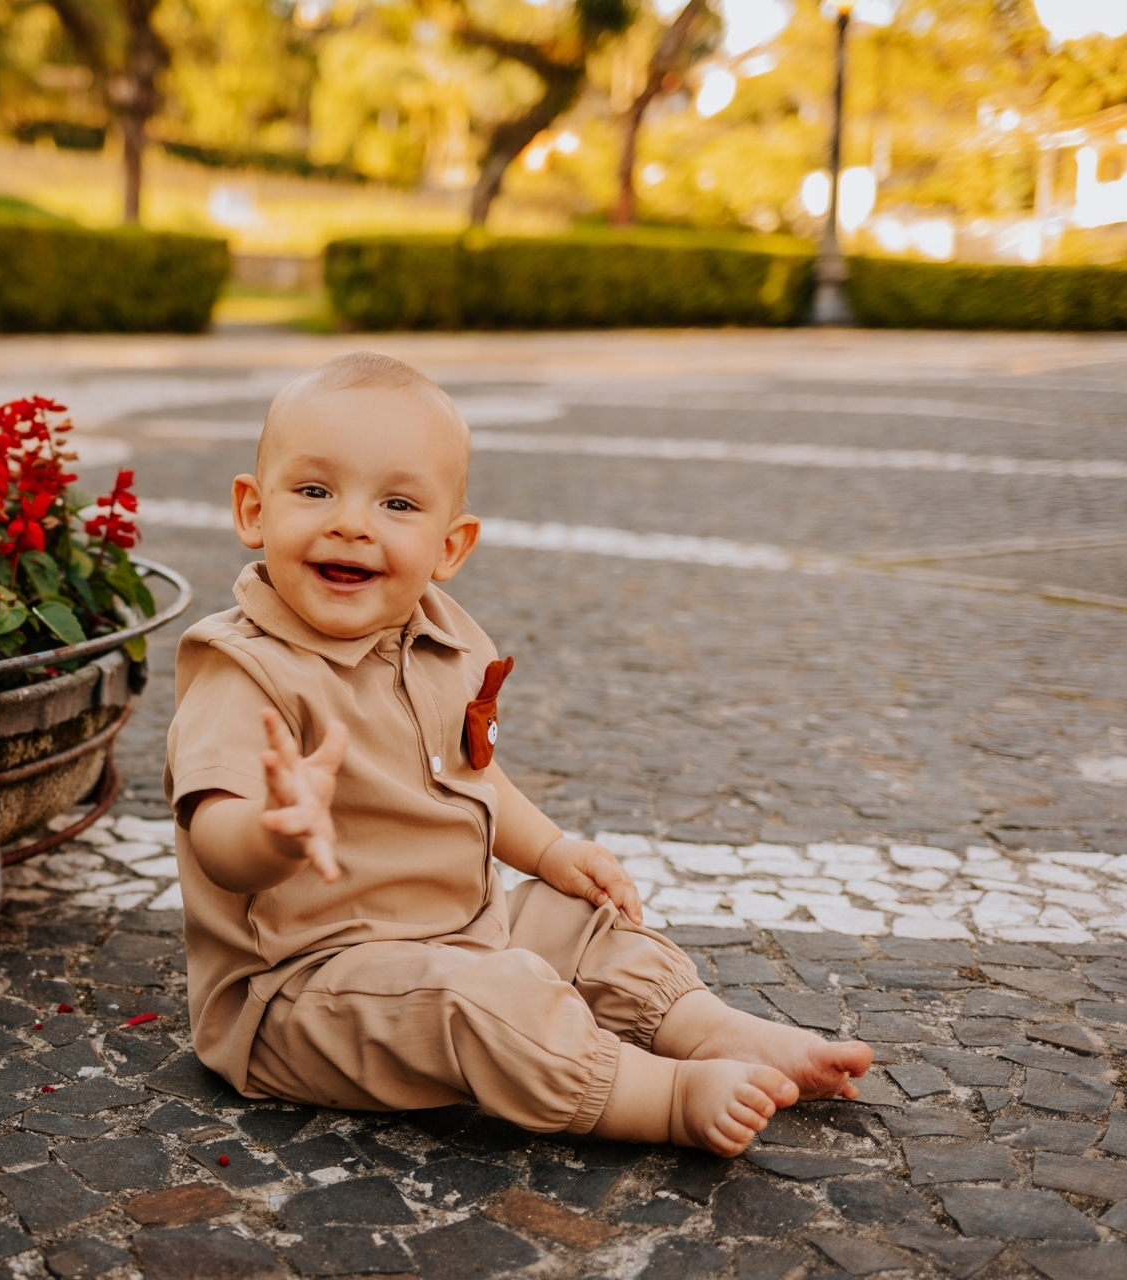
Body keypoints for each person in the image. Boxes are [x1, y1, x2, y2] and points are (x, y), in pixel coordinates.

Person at [164, 352, 874, 1155]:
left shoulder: (441, 637)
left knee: (576, 921)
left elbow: (475, 777)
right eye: (315, 491)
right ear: (253, 510)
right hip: (305, 990)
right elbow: (216, 834)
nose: (351, 523)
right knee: (489, 1000)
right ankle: (660, 1095)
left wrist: (550, 850)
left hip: (453, 930)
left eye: (397, 503)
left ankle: (709, 1028)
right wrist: (273, 833)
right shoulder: (243, 668)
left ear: (450, 545)